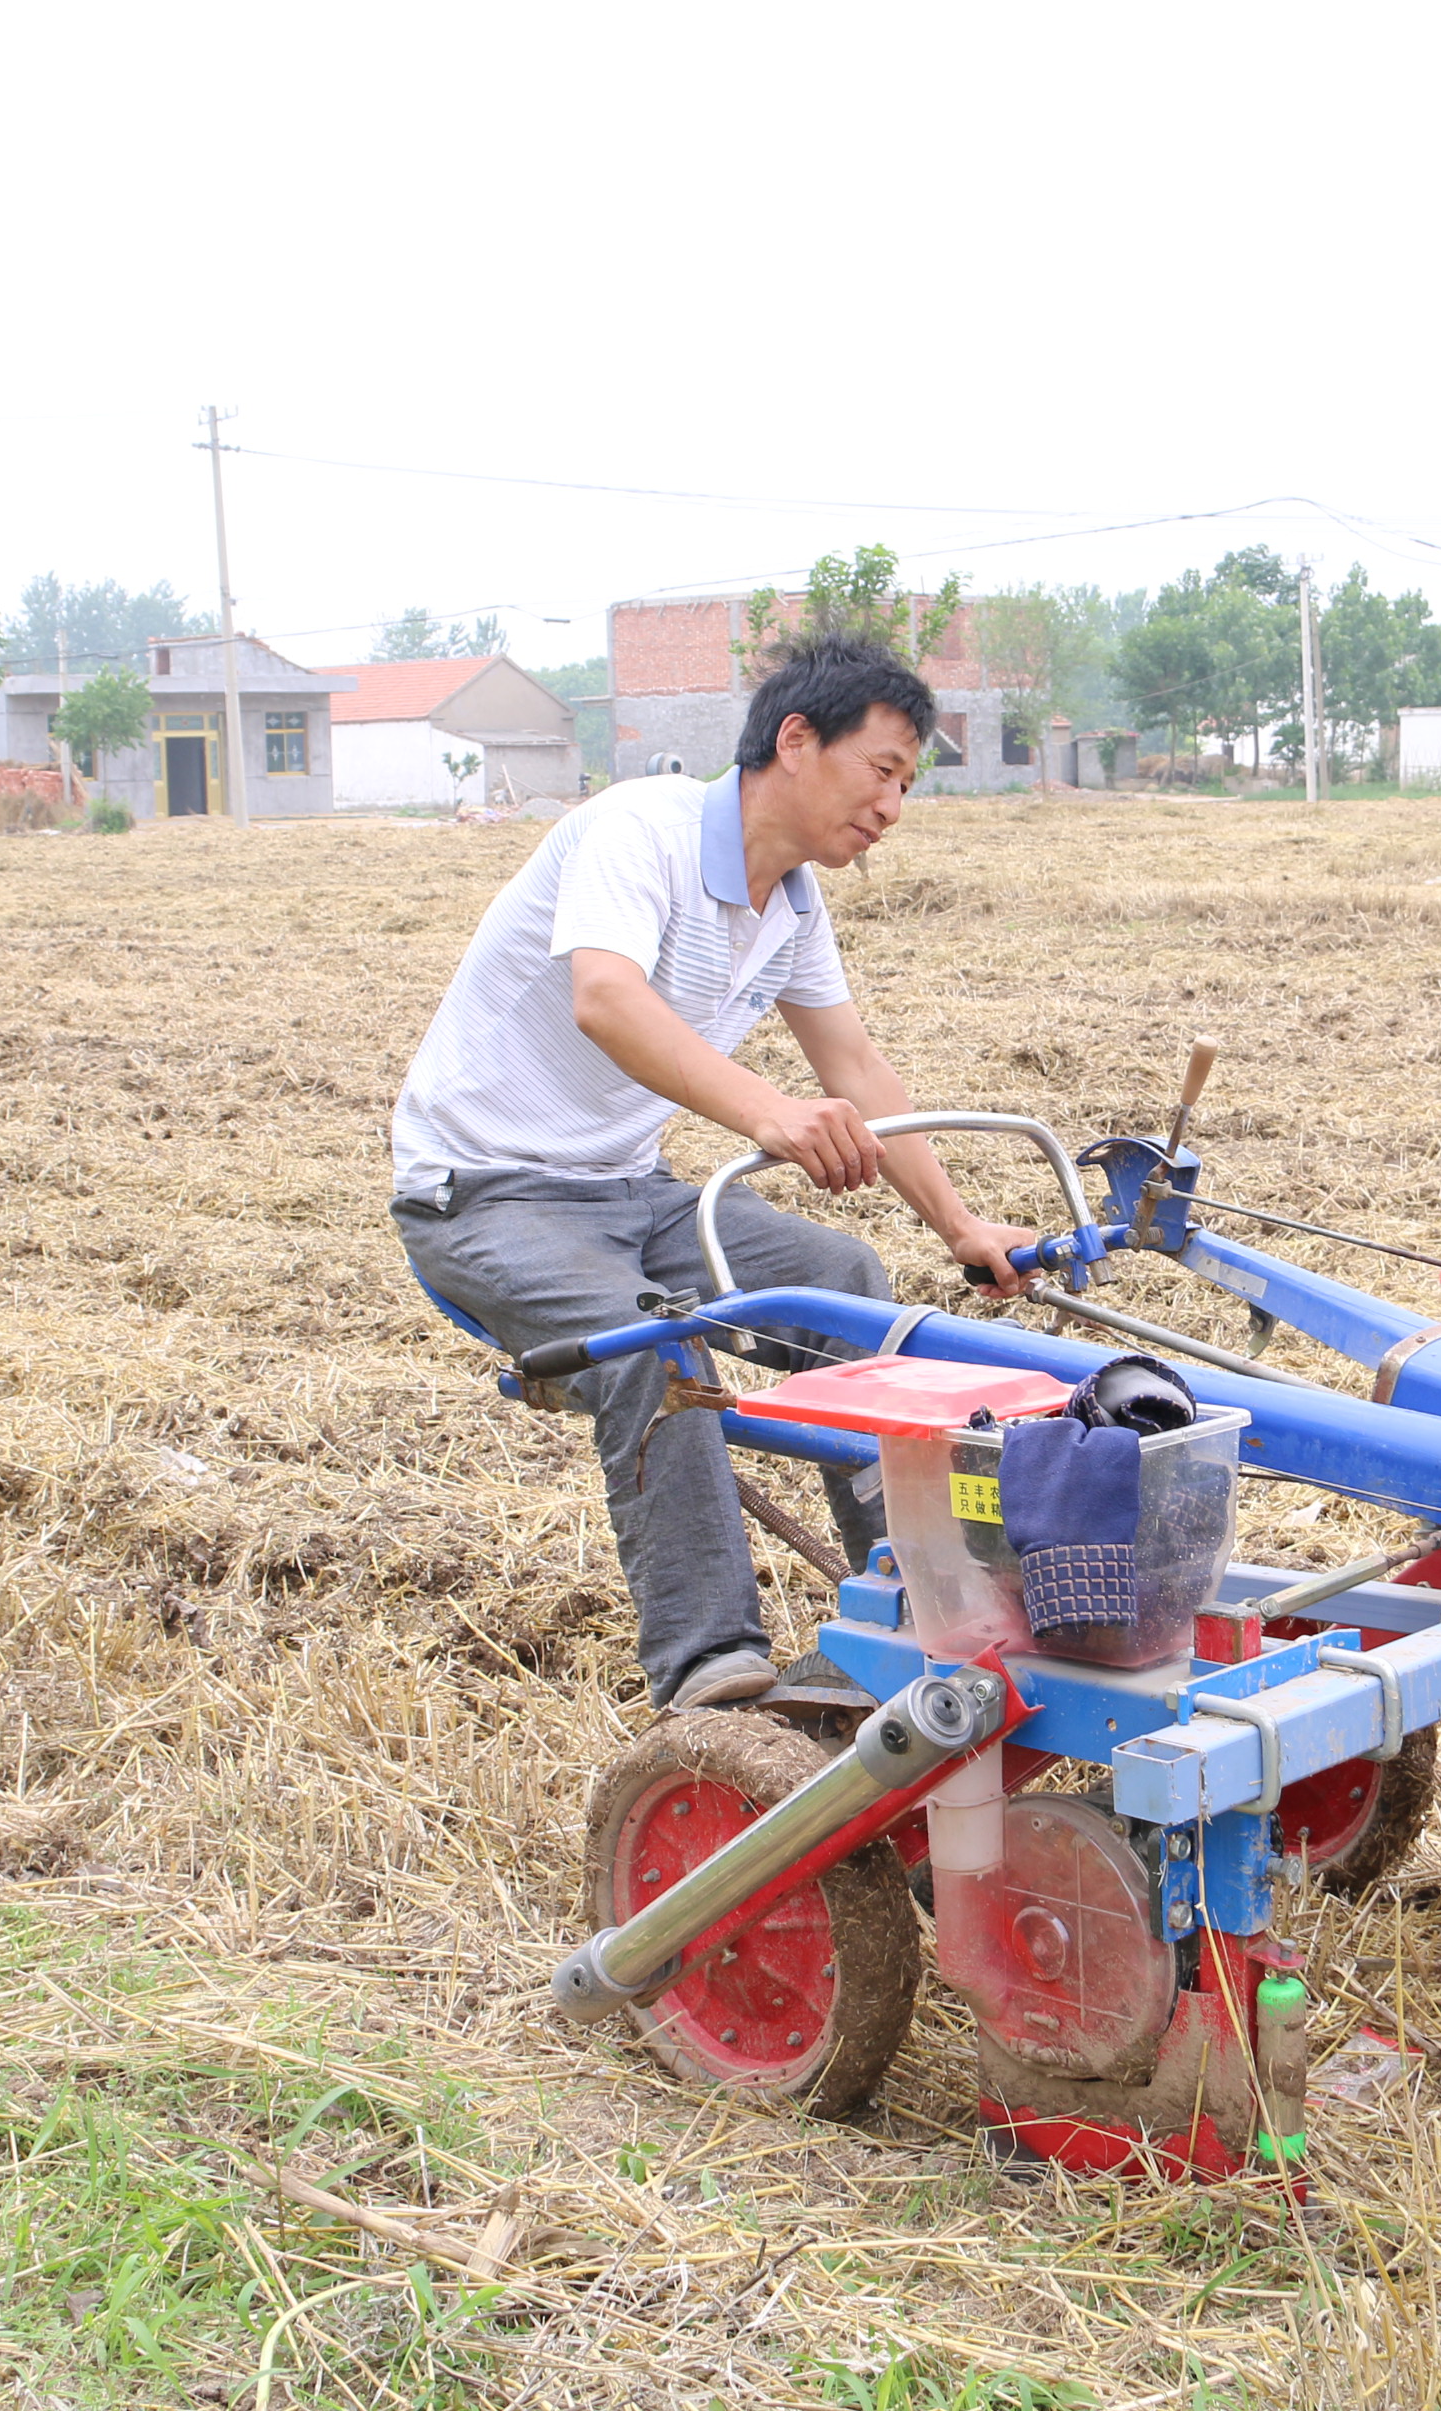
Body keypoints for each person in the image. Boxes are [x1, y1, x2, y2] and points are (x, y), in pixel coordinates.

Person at [390, 633, 1035, 1713]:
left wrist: (962, 1226)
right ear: (796, 739)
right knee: (657, 1342)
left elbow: (855, 1063)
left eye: (908, 784)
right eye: (881, 769)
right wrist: (770, 1114)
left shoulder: (789, 905)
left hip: (630, 1192)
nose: (892, 805)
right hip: (484, 1193)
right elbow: (606, 998)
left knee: (849, 1294)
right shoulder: (635, 828)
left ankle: (922, 1608)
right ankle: (709, 1669)